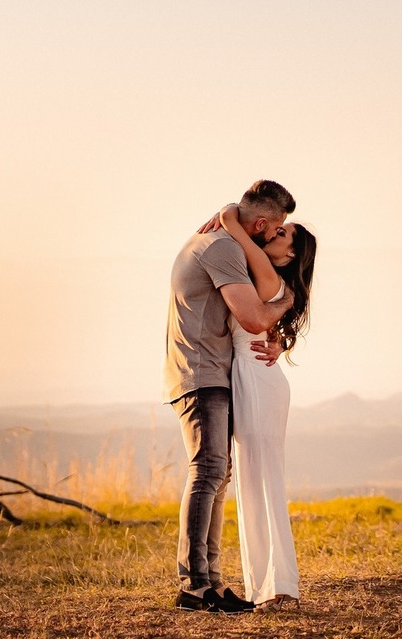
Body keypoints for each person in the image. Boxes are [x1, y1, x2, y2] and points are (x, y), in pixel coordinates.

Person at [163, 180, 295, 614]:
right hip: (200, 372)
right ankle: (195, 585)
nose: (275, 235)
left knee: (217, 476)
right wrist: (285, 302)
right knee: (208, 472)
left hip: (210, 370)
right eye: (275, 228)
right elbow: (254, 318)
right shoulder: (222, 248)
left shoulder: (222, 238)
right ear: (260, 223)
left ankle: (211, 583)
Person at [209, 203, 316, 612]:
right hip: (254, 377)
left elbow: (237, 233)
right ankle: (265, 586)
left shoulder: (267, 273)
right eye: (276, 229)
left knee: (263, 482)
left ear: (290, 256)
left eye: (282, 234)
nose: (274, 234)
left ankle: (280, 585)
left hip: (258, 382)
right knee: (253, 484)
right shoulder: (272, 281)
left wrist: (227, 213)